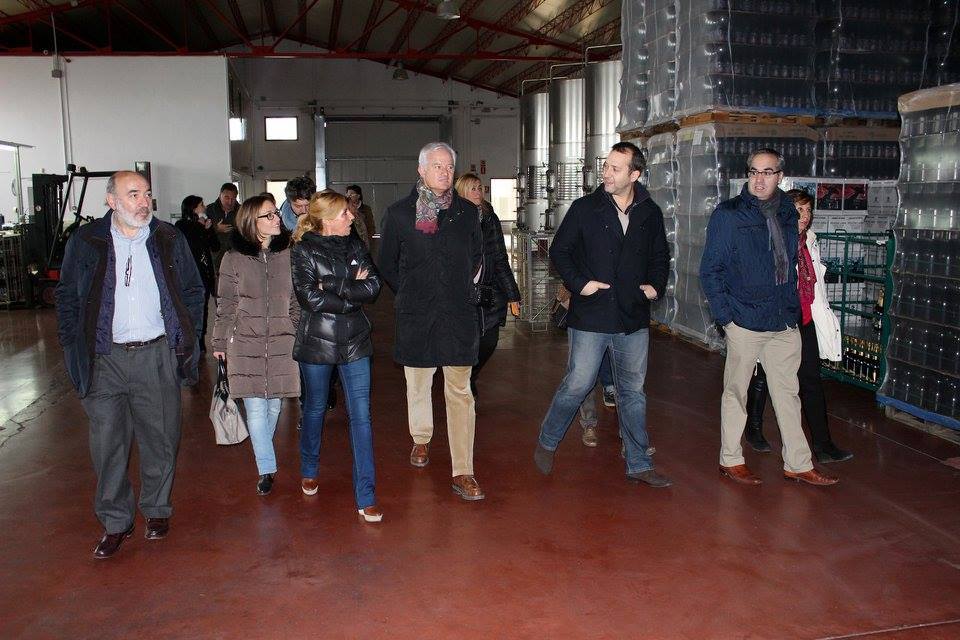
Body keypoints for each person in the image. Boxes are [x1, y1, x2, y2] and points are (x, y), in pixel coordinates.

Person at [55, 171, 204, 559]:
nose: (143, 202)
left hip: (156, 354)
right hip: (104, 357)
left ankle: (156, 508)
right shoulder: (86, 241)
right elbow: (67, 297)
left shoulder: (169, 238)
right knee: (107, 444)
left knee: (161, 437)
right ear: (112, 201)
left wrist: (187, 339)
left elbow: (192, 291)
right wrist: (72, 346)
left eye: (147, 194)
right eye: (133, 194)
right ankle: (115, 521)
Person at [533, 141, 672, 488]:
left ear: (634, 175)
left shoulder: (649, 212)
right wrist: (580, 284)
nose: (606, 173)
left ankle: (638, 463)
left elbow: (660, 255)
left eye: (615, 168)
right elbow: (560, 251)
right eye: (606, 166)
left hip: (632, 316)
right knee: (578, 383)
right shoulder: (585, 208)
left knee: (633, 392)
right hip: (592, 315)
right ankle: (548, 441)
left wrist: (655, 286)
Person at [700, 149, 838, 487]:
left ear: (780, 176)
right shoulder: (728, 215)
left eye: (767, 172)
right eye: (754, 172)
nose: (759, 179)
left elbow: (788, 262)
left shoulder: (789, 212)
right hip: (744, 319)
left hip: (782, 320)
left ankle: (798, 463)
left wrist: (792, 310)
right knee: (736, 392)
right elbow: (710, 270)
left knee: (788, 394)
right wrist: (726, 318)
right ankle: (731, 459)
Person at [379, 141, 485, 501]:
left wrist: (461, 288)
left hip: (457, 314)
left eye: (449, 167)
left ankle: (463, 470)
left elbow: (477, 256)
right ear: (421, 170)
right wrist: (411, 291)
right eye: (437, 166)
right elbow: (387, 263)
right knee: (418, 383)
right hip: (417, 314)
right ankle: (421, 438)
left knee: (460, 391)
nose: (444, 172)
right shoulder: (399, 214)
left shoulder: (467, 213)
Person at [291, 191, 383, 522]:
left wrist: (331, 283)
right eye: (345, 213)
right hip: (317, 341)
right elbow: (309, 298)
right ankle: (309, 466)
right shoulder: (303, 250)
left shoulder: (355, 245)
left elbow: (373, 287)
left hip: (355, 340)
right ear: (327, 218)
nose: (351, 217)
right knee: (315, 407)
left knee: (361, 415)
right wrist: (350, 293)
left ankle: (366, 495)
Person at [745, 189, 851, 464]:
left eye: (808, 210)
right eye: (798, 210)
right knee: (763, 375)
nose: (805, 216)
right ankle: (753, 429)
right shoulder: (772, 240)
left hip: (804, 319)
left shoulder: (810, 242)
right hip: (777, 319)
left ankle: (823, 445)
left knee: (811, 380)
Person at [212, 195, 300, 496]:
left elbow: (297, 301)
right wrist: (220, 341)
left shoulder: (289, 255)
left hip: (282, 341)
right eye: (269, 215)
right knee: (256, 409)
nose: (277, 218)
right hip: (245, 343)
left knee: (274, 405)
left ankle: (265, 456)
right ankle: (266, 468)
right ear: (252, 222)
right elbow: (225, 304)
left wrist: (294, 328)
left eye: (276, 213)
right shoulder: (233, 259)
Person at [453, 172, 521, 401]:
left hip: (488, 291)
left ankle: (471, 375)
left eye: (479, 188)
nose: (478, 192)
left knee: (489, 341)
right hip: (461, 294)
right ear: (461, 193)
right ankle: (462, 381)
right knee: (465, 342)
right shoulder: (451, 219)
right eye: (472, 188)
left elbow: (500, 258)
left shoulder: (490, 218)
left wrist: (512, 294)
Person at [176, 195, 219, 351]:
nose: (205, 207)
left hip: (205, 273)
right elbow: (190, 245)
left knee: (204, 308)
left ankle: (200, 340)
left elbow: (215, 246)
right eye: (201, 205)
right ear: (193, 208)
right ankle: (190, 340)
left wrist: (209, 230)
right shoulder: (181, 225)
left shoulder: (204, 225)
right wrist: (201, 227)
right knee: (190, 308)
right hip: (189, 276)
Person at [206, 182, 239, 270]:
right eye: (226, 198)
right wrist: (216, 229)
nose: (230, 202)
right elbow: (201, 233)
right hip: (214, 257)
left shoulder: (242, 211)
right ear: (220, 195)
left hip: (236, 256)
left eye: (233, 198)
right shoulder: (209, 210)